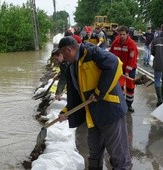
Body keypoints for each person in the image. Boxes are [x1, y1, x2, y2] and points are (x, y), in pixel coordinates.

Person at [57, 36, 132, 170]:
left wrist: (99, 92)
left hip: (109, 111)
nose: (63, 58)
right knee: (94, 151)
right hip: (92, 115)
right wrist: (65, 112)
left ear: (68, 50)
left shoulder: (91, 53)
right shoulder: (73, 66)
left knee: (118, 154)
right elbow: (78, 95)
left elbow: (114, 63)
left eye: (62, 54)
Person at [109, 25, 138, 112]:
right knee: (119, 86)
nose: (121, 36)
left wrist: (127, 71)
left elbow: (132, 59)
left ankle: (129, 104)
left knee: (130, 87)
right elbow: (111, 53)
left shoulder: (131, 44)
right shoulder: (116, 42)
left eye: (123, 34)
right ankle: (121, 103)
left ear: (127, 34)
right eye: (120, 34)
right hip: (119, 68)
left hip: (130, 68)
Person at [151, 24, 163, 107]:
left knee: (157, 80)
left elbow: (152, 52)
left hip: (158, 63)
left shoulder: (155, 40)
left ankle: (160, 99)